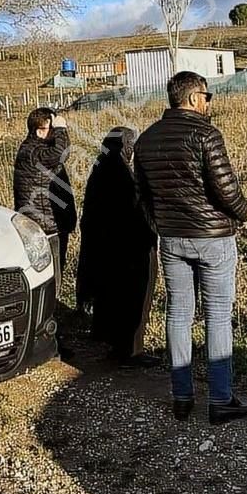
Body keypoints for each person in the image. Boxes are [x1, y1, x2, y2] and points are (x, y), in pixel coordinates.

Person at [134, 71, 247, 424]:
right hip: (213, 239)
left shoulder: (146, 139)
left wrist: (159, 225)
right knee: (217, 316)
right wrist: (244, 214)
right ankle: (220, 400)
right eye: (206, 96)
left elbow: (142, 194)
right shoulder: (206, 134)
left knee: (178, 315)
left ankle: (182, 396)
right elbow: (226, 188)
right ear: (191, 98)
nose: (208, 102)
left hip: (171, 239)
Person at [77, 127, 160, 368]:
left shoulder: (101, 167)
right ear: (123, 146)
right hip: (130, 248)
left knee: (113, 296)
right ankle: (132, 350)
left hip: (107, 247)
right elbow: (134, 210)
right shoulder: (120, 172)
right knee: (135, 297)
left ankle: (116, 345)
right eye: (130, 144)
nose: (132, 149)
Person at [13, 108, 77, 273]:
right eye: (52, 128)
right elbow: (61, 153)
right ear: (40, 130)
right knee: (52, 274)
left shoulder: (36, 149)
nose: (55, 133)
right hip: (45, 227)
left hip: (49, 223)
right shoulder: (33, 151)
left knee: (55, 271)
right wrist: (61, 129)